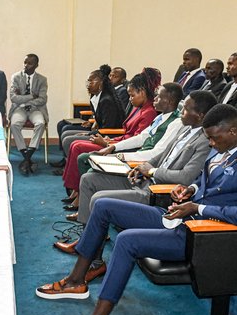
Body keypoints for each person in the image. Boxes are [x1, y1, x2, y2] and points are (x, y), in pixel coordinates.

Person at [36, 104, 237, 315]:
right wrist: (189, 189)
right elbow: (204, 179)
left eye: (214, 139)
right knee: (103, 206)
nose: (210, 143)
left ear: (232, 131)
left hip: (200, 234)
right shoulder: (223, 143)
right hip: (180, 216)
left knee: (126, 241)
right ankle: (76, 281)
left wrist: (198, 207)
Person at [57, 90, 214, 251]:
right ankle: (86, 239)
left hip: (156, 192)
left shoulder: (205, 141)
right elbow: (162, 155)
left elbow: (186, 177)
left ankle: (90, 253)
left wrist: (151, 171)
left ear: (200, 115)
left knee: (99, 199)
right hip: (143, 179)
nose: (181, 112)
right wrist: (142, 167)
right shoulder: (185, 129)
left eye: (185, 109)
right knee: (88, 180)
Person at [61, 83, 186, 216]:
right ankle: (87, 210)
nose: (154, 99)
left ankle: (90, 211)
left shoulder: (175, 122)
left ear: (169, 101)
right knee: (92, 163)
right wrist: (112, 147)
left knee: (93, 171)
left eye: (158, 97)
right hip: (137, 157)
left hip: (142, 163)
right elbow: (140, 138)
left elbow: (156, 153)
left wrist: (120, 156)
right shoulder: (159, 117)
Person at [61, 68, 160, 209]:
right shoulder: (139, 108)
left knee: (78, 147)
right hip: (118, 142)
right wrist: (111, 140)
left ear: (142, 93)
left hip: (125, 149)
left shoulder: (149, 112)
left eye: (132, 96)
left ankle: (79, 195)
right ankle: (76, 192)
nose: (130, 99)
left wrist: (109, 143)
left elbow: (137, 140)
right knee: (75, 143)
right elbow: (127, 133)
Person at [52, 65, 127, 171]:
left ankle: (72, 169)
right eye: (87, 82)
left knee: (68, 140)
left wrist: (89, 134)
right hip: (100, 132)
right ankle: (69, 167)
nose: (87, 85)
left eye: (90, 82)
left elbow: (107, 128)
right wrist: (93, 126)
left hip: (107, 137)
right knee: (66, 134)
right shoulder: (98, 97)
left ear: (100, 83)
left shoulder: (107, 100)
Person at [9, 53, 49, 176]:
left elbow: (42, 99)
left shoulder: (42, 79)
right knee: (14, 125)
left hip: (35, 109)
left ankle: (27, 158)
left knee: (40, 123)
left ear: (36, 65)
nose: (26, 65)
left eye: (30, 63)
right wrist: (32, 96)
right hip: (19, 108)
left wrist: (24, 98)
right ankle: (27, 158)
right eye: (25, 62)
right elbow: (13, 98)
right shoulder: (16, 77)